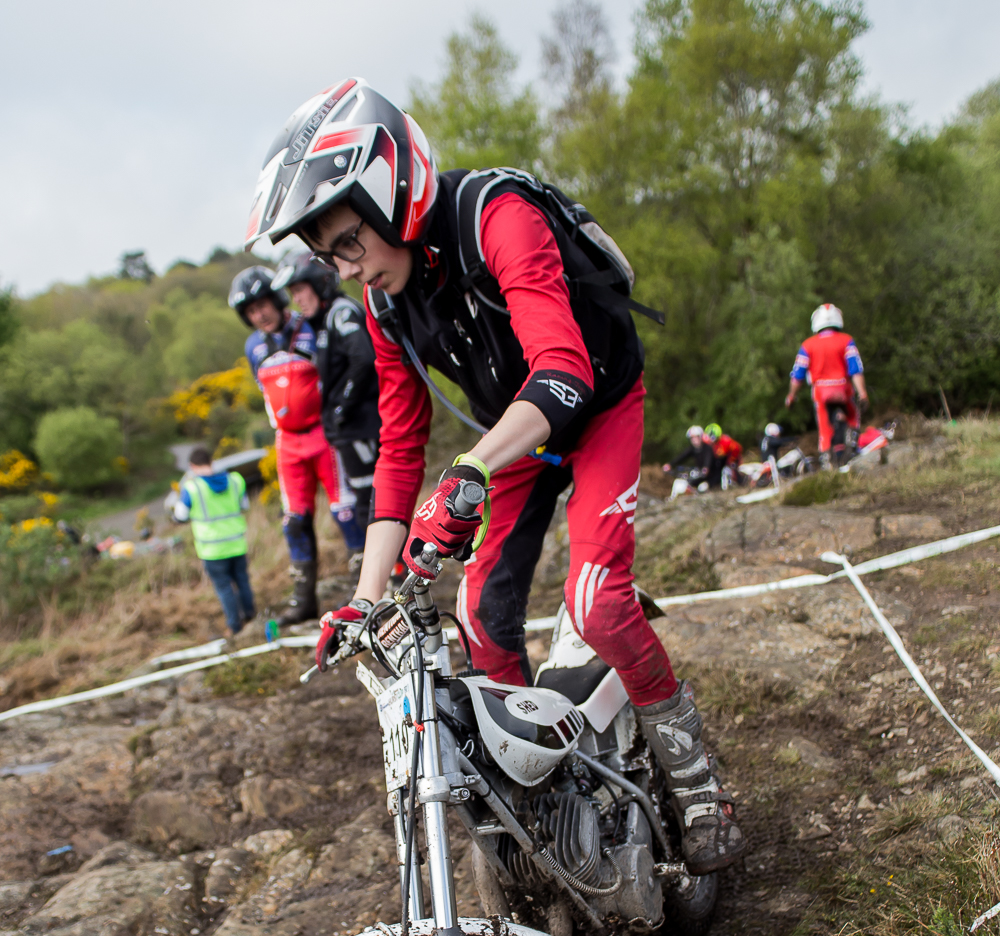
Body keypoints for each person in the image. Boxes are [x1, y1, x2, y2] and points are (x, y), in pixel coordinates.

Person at [242, 79, 744, 874]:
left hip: (596, 405)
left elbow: (564, 371)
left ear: (391, 194)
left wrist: (473, 466)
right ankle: (547, 793)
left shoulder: (497, 216)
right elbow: (399, 450)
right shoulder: (385, 307)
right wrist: (364, 599)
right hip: (515, 436)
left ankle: (695, 779)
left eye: (349, 243)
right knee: (479, 620)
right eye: (330, 256)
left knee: (597, 602)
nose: (346, 269)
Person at [228, 265, 364, 624]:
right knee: (294, 520)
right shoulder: (253, 346)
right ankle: (303, 599)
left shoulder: (310, 326)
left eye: (262, 305)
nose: (259, 314)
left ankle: (363, 588)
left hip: (323, 434)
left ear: (276, 299)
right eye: (251, 311)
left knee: (345, 511)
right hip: (287, 442)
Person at [272, 252, 380, 577]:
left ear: (319, 283)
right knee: (365, 503)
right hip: (347, 430)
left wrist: (341, 407)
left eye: (299, 290)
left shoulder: (341, 311)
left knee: (372, 504)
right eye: (292, 293)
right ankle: (383, 577)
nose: (296, 299)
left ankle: (393, 576)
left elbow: (364, 358)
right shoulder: (322, 320)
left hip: (361, 426)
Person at [173, 446, 254, 637]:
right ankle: (251, 617)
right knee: (243, 581)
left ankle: (234, 626)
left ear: (192, 466)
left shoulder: (192, 488)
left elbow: (180, 516)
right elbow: (245, 505)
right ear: (211, 461)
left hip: (212, 549)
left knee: (224, 588)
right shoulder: (235, 480)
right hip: (237, 543)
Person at [786, 304, 868, 468]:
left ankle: (826, 457)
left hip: (821, 392)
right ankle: (852, 442)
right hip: (843, 389)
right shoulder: (846, 340)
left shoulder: (808, 345)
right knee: (852, 416)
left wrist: (791, 396)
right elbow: (855, 370)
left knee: (824, 426)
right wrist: (863, 393)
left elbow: (797, 376)